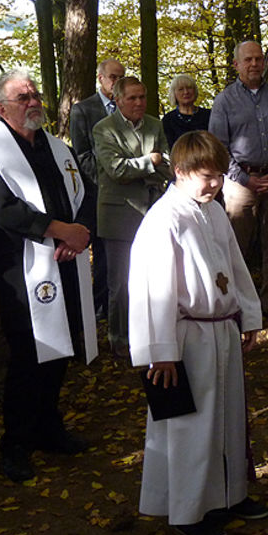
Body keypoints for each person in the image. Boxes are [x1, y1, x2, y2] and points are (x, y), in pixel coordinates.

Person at [128, 130, 268, 535]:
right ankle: (188, 509)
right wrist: (161, 353)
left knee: (227, 418)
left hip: (221, 329)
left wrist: (248, 315)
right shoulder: (164, 219)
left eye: (220, 176)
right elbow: (153, 289)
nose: (215, 184)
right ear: (180, 171)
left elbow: (236, 266)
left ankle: (230, 494)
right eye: (206, 176)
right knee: (191, 426)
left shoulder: (214, 211)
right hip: (187, 336)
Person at [0, 69, 98, 483]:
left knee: (61, 350)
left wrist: (80, 234)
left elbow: (85, 194)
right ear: (1, 108)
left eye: (35, 95)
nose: (33, 102)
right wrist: (61, 230)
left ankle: (49, 428)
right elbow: (2, 208)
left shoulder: (56, 147)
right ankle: (16, 443)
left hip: (65, 260)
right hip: (21, 271)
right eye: (23, 97)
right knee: (27, 355)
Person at [208, 41, 268, 326]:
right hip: (239, 183)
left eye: (259, 59)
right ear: (236, 64)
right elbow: (218, 148)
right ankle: (237, 306)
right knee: (236, 245)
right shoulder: (224, 101)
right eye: (248, 60)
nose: (254, 64)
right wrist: (245, 179)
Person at [93, 76, 172, 357]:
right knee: (121, 282)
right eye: (132, 98)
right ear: (117, 100)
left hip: (153, 210)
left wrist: (155, 165)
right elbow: (116, 170)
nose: (139, 103)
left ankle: (151, 332)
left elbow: (168, 164)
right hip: (119, 215)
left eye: (142, 97)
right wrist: (149, 161)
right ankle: (120, 338)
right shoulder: (104, 129)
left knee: (155, 278)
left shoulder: (154, 124)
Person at [70, 58, 126, 321]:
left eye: (121, 77)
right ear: (101, 78)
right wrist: (108, 179)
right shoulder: (83, 110)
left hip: (127, 192)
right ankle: (97, 307)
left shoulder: (128, 107)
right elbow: (81, 155)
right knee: (102, 254)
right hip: (98, 191)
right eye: (113, 77)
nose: (117, 83)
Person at [161, 74, 211, 151]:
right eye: (181, 89)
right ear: (174, 94)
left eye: (189, 88)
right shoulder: (168, 120)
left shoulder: (208, 115)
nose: (186, 92)